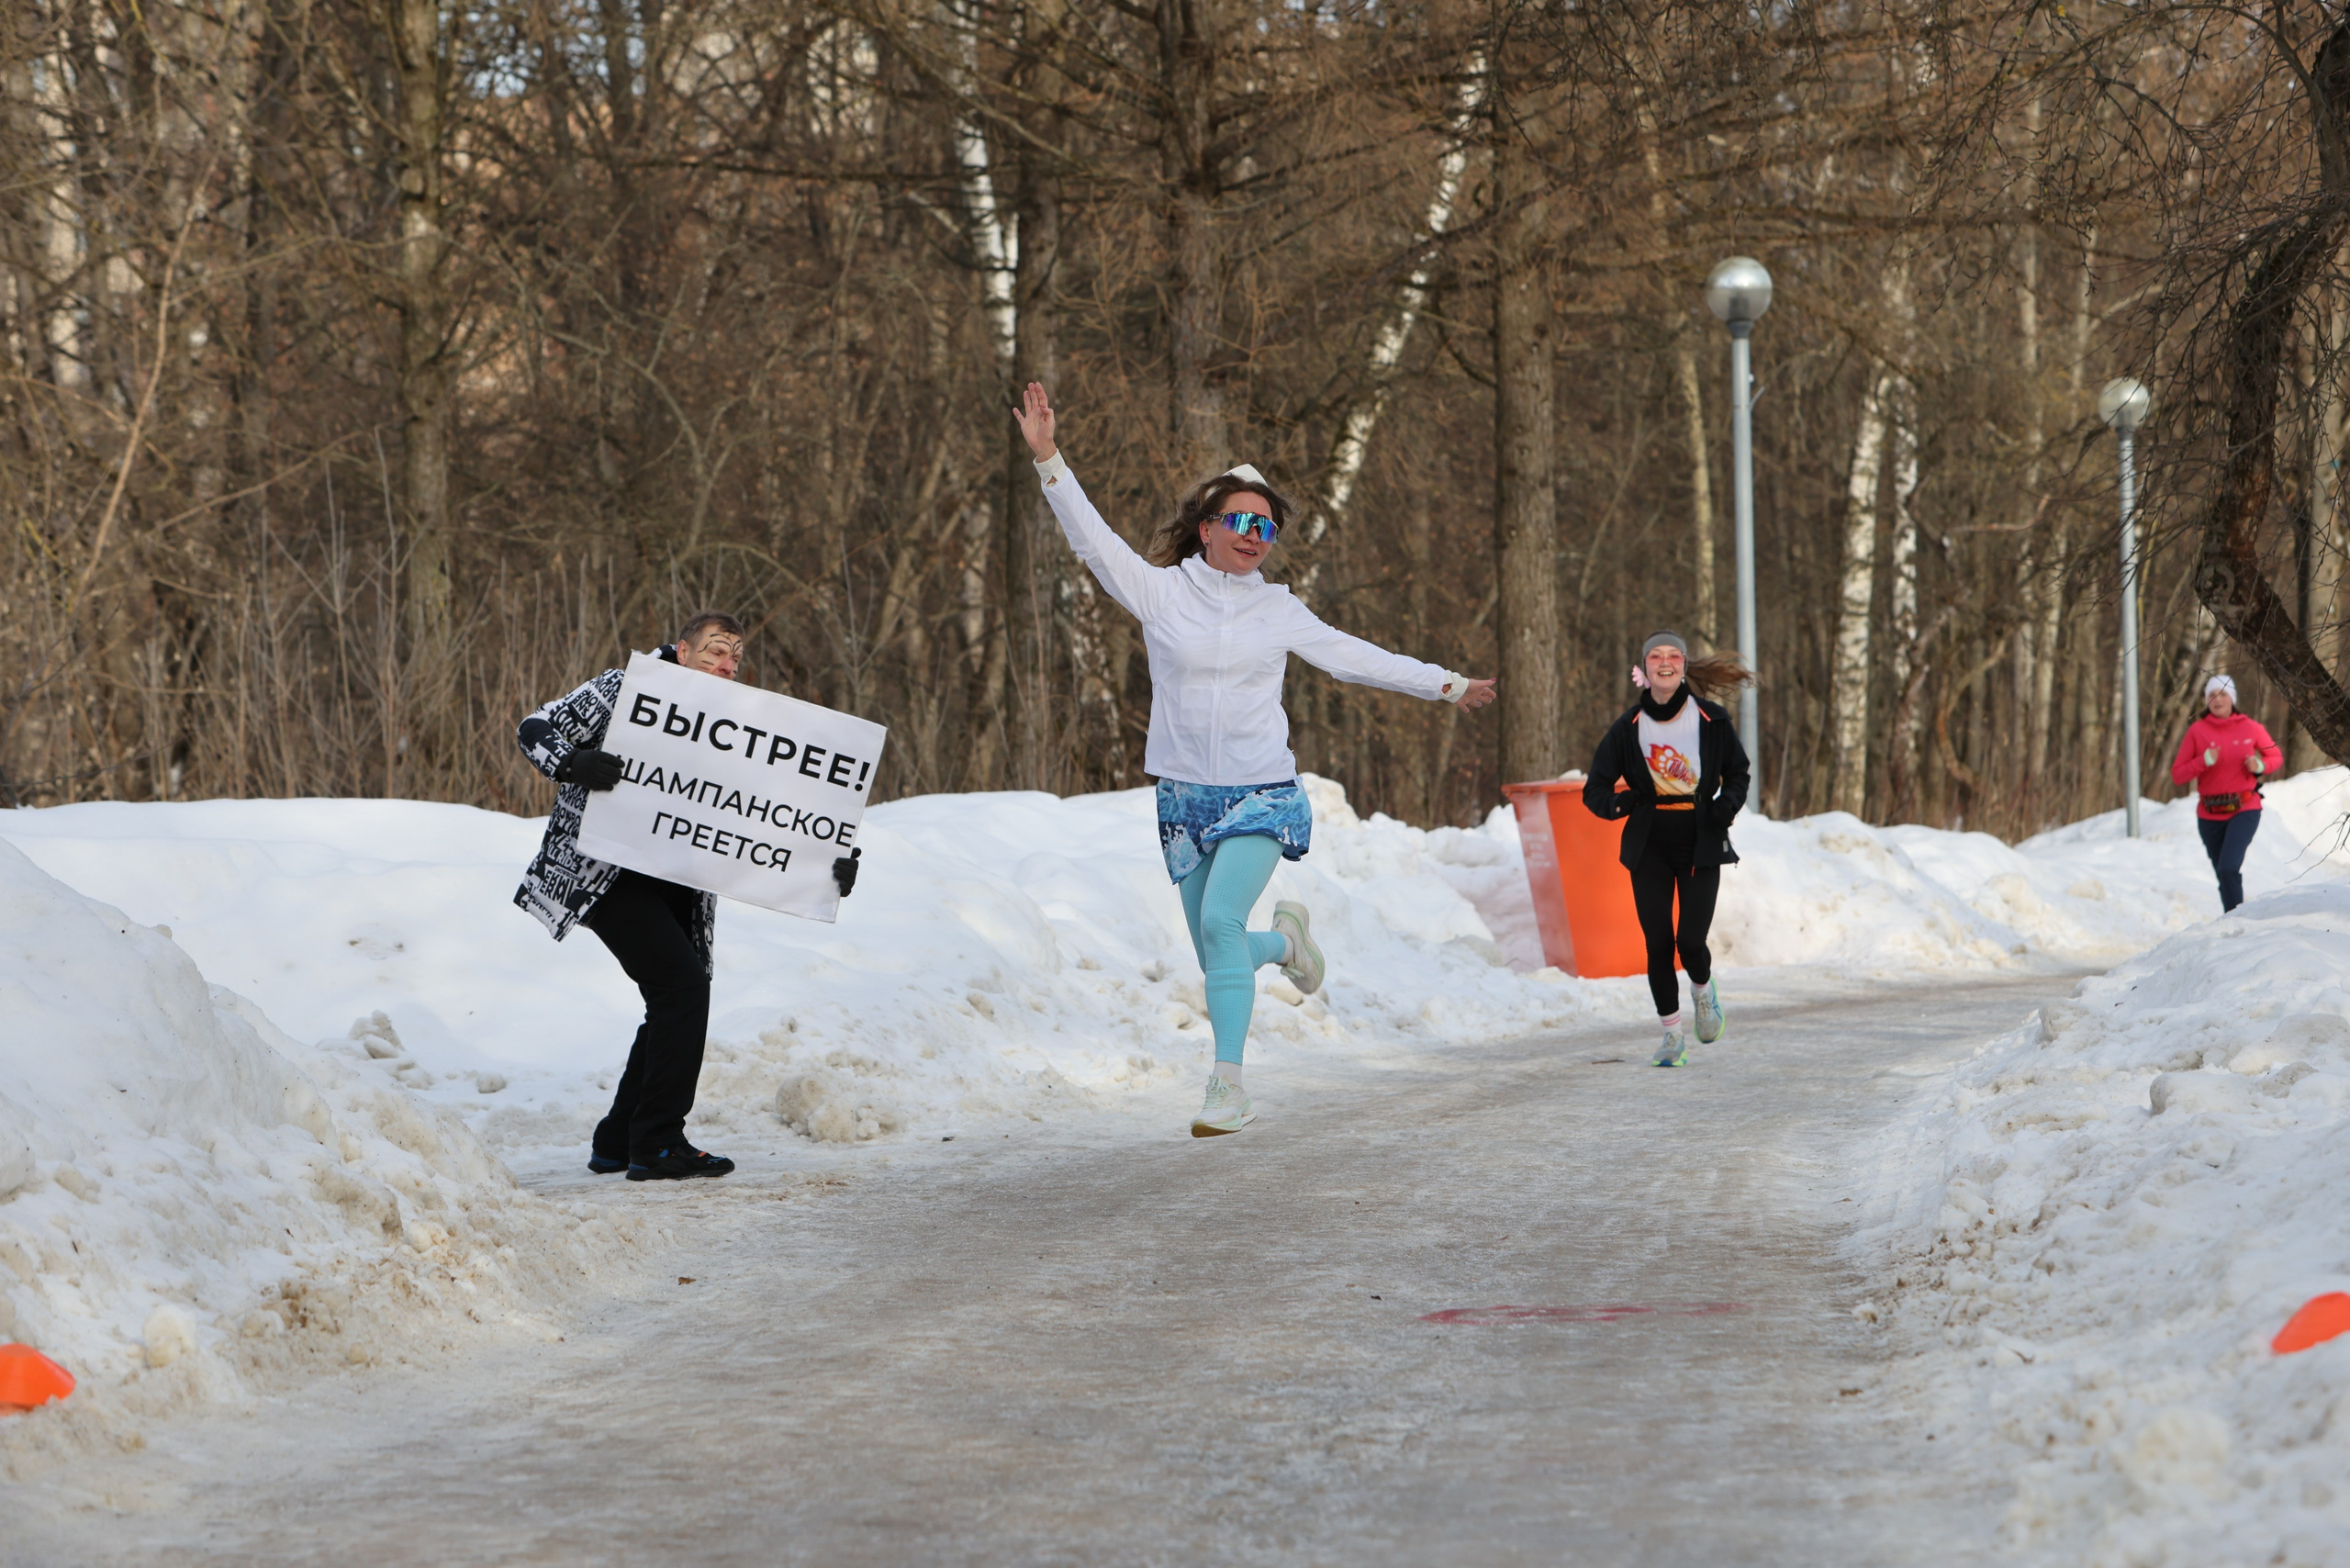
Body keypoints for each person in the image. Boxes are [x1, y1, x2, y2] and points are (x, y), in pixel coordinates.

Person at [1014, 383, 1496, 1137]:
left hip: (1261, 793)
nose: (1253, 535)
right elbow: (1093, 540)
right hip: (1183, 798)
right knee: (1221, 954)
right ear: (1207, 529)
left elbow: (1354, 658)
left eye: (1265, 528)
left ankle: (1227, 1088)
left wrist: (1445, 684)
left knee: (1217, 921)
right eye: (1239, 521)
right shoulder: (1160, 594)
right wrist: (1049, 458)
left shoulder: (1279, 609)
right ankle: (1288, 944)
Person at [514, 613, 861, 1181]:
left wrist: (826, 861)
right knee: (682, 988)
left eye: (735, 658)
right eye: (715, 652)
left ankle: (619, 1139)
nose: (727, 666)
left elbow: (775, 811)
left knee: (673, 998)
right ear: (681, 651)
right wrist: (574, 762)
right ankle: (655, 1144)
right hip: (602, 873)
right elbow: (536, 726)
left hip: (681, 882)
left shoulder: (745, 724)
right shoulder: (628, 689)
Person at [1583, 632, 1754, 1068]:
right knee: (1658, 943)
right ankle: (1671, 1038)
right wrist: (1618, 803)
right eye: (1655, 656)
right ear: (1643, 667)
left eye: (1673, 655)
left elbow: (1738, 774)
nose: (1665, 662)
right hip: (1649, 843)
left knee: (1689, 942)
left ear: (1683, 665)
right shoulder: (1628, 728)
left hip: (1701, 839)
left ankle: (1702, 991)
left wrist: (1725, 808)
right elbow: (1595, 788)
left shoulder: (1711, 720)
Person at [2170, 673, 2281, 913]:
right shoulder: (2197, 731)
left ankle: (2236, 920)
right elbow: (2178, 774)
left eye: (2222, 694)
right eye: (2211, 695)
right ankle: (2233, 916)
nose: (2217, 699)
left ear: (2232, 698)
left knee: (2228, 868)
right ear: (2206, 700)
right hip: (2209, 815)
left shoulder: (2251, 727)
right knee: (2223, 872)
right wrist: (2203, 761)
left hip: (2244, 808)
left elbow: (2275, 756)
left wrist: (2260, 766)